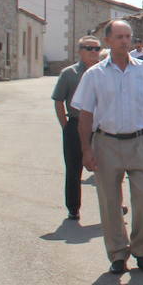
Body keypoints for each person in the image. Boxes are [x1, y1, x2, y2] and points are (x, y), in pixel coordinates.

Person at [73, 19, 143, 274]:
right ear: (108, 41)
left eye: (128, 36)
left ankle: (140, 249)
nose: (125, 41)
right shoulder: (94, 74)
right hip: (106, 142)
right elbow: (85, 115)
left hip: (138, 142)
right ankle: (117, 253)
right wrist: (86, 149)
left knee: (142, 200)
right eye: (119, 37)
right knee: (110, 201)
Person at [52, 36, 102, 221]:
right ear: (80, 51)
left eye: (97, 49)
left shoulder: (105, 72)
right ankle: (73, 207)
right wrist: (65, 126)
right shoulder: (69, 73)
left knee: (108, 168)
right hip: (75, 124)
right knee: (74, 168)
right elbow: (58, 100)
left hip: (100, 127)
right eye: (89, 48)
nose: (93, 52)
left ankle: (115, 205)